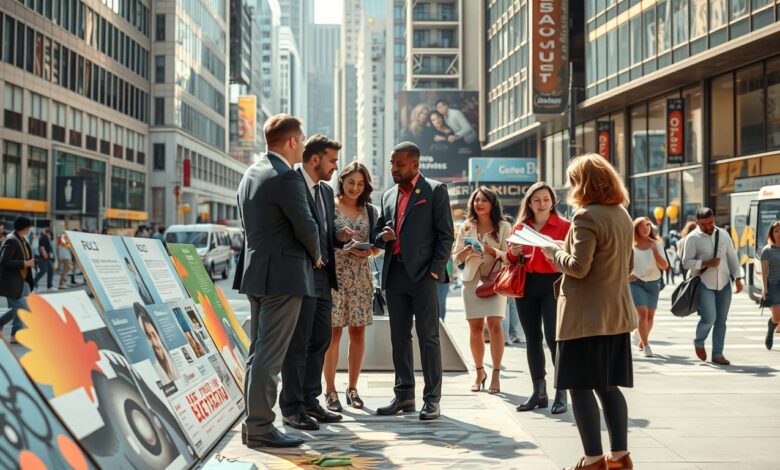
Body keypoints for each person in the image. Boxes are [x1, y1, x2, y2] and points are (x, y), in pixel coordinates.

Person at [541, 154, 636, 470]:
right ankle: (620, 458)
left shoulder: (586, 217)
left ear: (583, 183)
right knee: (608, 387)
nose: (570, 187)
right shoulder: (621, 215)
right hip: (616, 314)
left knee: (579, 386)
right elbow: (628, 265)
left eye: (572, 180)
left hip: (584, 318)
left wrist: (554, 251)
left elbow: (579, 267)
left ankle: (593, 460)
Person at [234, 114, 321, 449]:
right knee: (270, 358)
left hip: (256, 274)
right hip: (284, 278)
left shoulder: (250, 174)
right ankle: (260, 426)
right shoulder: (286, 177)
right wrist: (317, 255)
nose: (301, 147)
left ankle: (253, 423)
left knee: (258, 354)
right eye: (301, 141)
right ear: (292, 142)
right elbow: (307, 226)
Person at [371, 142, 454, 421]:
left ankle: (432, 400)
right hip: (394, 275)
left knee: (428, 338)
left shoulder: (435, 191)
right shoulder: (388, 194)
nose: (394, 169)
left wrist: (434, 272)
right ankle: (404, 395)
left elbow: (446, 236)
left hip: (424, 277)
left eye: (399, 164)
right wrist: (382, 236)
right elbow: (376, 234)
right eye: (392, 164)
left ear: (415, 165)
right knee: (399, 338)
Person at [279, 135, 348, 431]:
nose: (336, 166)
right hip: (299, 274)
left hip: (323, 276)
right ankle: (291, 408)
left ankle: (309, 400)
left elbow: (322, 232)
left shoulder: (325, 190)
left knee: (320, 339)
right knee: (298, 343)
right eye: (332, 160)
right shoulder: (291, 182)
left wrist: (339, 236)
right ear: (315, 159)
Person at [507, 182, 572, 415]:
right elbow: (510, 260)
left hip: (554, 284)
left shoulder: (565, 226)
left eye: (546, 199)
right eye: (537, 200)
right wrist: (512, 254)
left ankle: (561, 393)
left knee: (554, 338)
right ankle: (539, 392)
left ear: (553, 201)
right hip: (527, 284)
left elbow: (573, 257)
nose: (542, 204)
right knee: (532, 338)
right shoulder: (521, 228)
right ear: (530, 203)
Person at [323, 162, 380, 412]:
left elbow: (377, 247)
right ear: (342, 181)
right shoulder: (328, 206)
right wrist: (340, 245)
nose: (355, 188)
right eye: (351, 183)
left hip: (360, 277)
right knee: (333, 334)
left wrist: (366, 252)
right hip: (334, 277)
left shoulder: (371, 211)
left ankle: (353, 388)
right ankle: (330, 391)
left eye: (360, 184)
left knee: (358, 333)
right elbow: (321, 240)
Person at [452, 187, 511, 394]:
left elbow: (509, 256)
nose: (479, 204)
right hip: (471, 281)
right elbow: (455, 258)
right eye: (476, 200)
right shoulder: (466, 226)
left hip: (496, 281)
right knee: (475, 328)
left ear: (492, 204)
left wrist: (489, 250)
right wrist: (465, 252)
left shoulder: (504, 226)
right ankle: (479, 373)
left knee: (495, 325)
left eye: (484, 200)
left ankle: (495, 373)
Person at [681, 207, 742, 366]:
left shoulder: (723, 234)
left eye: (711, 222)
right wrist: (705, 263)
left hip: (724, 283)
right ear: (697, 222)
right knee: (709, 318)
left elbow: (732, 256)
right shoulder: (692, 238)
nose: (708, 226)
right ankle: (699, 341)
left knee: (721, 320)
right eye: (704, 224)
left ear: (714, 219)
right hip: (703, 283)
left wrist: (738, 277)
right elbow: (686, 262)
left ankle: (718, 354)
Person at [629, 218, 668, 358]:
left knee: (650, 317)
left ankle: (640, 335)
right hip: (636, 283)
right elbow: (623, 263)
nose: (646, 228)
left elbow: (664, 266)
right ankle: (646, 346)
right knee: (643, 314)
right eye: (642, 226)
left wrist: (654, 252)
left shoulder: (656, 244)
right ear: (636, 229)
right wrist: (628, 275)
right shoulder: (630, 245)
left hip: (653, 283)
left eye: (648, 225)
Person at [0, 217, 36, 343]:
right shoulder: (11, 240)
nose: (30, 229)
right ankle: (16, 334)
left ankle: (8, 328)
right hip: (12, 282)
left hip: (23, 281)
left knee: (17, 309)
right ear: (25, 227)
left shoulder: (22, 239)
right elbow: (4, 262)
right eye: (29, 226)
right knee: (24, 308)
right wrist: (25, 263)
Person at [135, 303, 179, 385]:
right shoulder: (152, 372)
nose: (155, 344)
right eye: (148, 337)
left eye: (154, 334)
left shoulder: (174, 364)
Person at [762, 220, 780, 350]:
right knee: (777, 317)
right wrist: (764, 289)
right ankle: (770, 328)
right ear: (772, 233)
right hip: (773, 285)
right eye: (776, 231)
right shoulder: (767, 250)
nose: (779, 233)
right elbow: (764, 272)